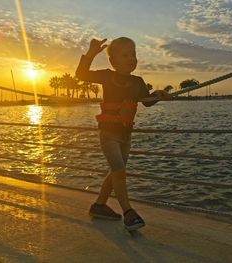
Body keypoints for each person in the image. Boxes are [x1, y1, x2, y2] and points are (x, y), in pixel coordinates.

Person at [75, 37, 170, 231]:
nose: (131, 58)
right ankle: (129, 213)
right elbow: (81, 74)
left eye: (133, 54)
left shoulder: (138, 81)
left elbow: (147, 101)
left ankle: (99, 205)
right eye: (125, 55)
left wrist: (158, 95)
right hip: (109, 134)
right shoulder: (106, 76)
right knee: (119, 173)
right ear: (113, 61)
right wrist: (91, 53)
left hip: (126, 136)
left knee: (116, 172)